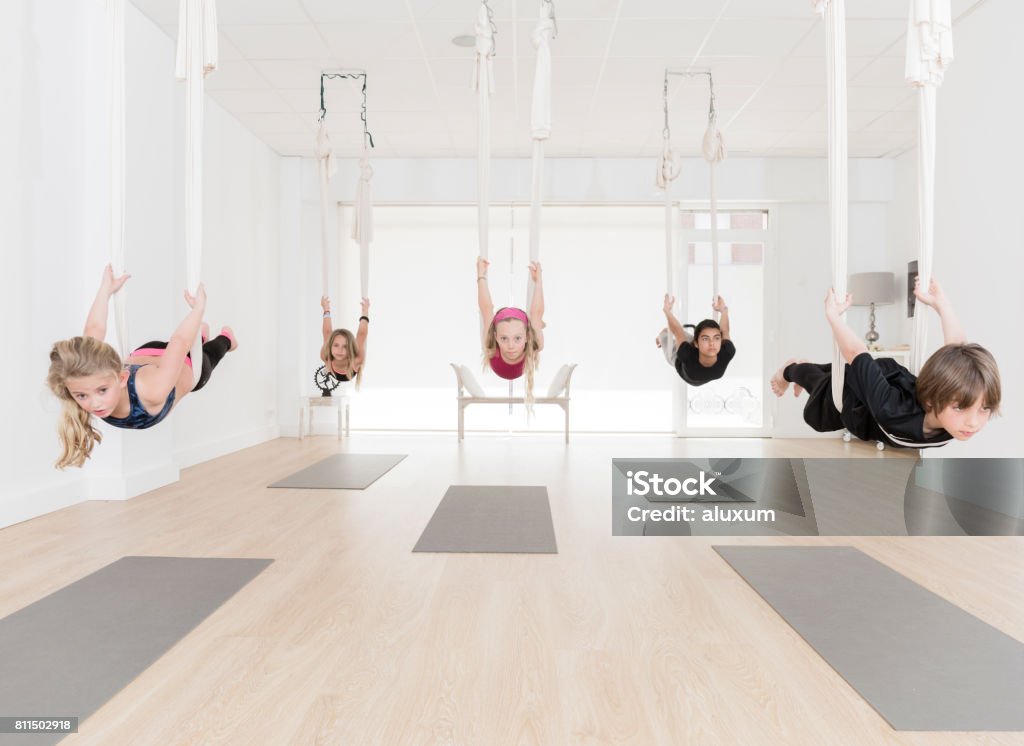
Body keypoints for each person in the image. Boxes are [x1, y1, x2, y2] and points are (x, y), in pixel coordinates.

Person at [770, 277, 1000, 448]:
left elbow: (957, 347)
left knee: (829, 372)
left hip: (888, 383)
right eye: (960, 408)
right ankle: (789, 370)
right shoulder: (893, 411)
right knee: (818, 385)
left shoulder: (954, 420)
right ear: (931, 401)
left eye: (984, 409)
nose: (973, 423)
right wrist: (833, 317)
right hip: (858, 398)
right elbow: (855, 351)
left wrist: (942, 305)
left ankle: (810, 369)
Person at [47, 265, 237, 468]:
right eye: (82, 396)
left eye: (102, 390)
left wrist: (198, 310)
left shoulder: (152, 391)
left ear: (121, 378)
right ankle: (198, 336)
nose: (93, 403)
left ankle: (225, 339)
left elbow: (179, 342)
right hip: (149, 355)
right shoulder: (85, 380)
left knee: (205, 360)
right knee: (184, 346)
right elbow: (93, 331)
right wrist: (105, 291)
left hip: (183, 365)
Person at [476, 256, 545, 401]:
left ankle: (537, 325)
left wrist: (538, 280)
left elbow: (536, 312)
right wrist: (480, 275)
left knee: (536, 320)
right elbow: (486, 309)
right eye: (504, 338)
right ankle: (537, 325)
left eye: (517, 338)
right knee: (535, 321)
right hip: (507, 323)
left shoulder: (534, 342)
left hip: (527, 325)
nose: (511, 346)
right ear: (496, 337)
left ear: (526, 337)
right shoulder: (490, 343)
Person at [656, 294, 735, 385]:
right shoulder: (686, 354)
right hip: (680, 361)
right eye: (706, 339)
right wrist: (667, 311)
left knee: (681, 335)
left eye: (716, 338)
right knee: (666, 336)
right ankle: (662, 335)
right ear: (696, 343)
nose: (712, 343)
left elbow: (725, 331)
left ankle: (704, 337)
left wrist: (724, 310)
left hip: (692, 356)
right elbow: (678, 332)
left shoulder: (728, 351)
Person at [320, 295, 369, 388]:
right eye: (336, 345)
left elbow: (361, 335)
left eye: (345, 347)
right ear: (330, 346)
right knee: (328, 336)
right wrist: (326, 309)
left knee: (361, 343)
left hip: (351, 368)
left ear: (350, 348)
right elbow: (327, 332)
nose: (340, 350)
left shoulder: (357, 360)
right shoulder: (326, 355)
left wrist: (365, 312)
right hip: (336, 368)